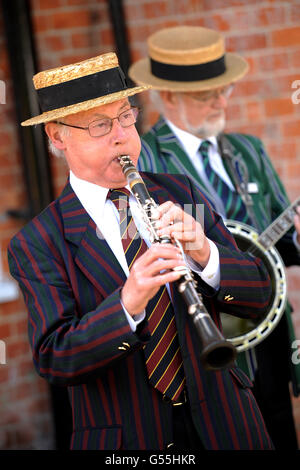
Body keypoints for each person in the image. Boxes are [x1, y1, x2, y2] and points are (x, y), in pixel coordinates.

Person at [8, 52, 274, 451]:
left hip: (228, 425)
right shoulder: (38, 240)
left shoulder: (179, 191)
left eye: (126, 117)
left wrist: (207, 255)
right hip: (127, 441)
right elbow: (55, 359)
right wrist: (128, 304)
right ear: (56, 135)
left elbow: (259, 294)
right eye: (100, 125)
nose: (122, 136)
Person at [128, 25, 300, 449]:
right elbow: (135, 246)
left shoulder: (249, 150)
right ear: (168, 96)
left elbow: (285, 242)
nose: (222, 102)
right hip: (204, 340)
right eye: (208, 95)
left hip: (268, 326)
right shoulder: (144, 158)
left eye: (224, 89)